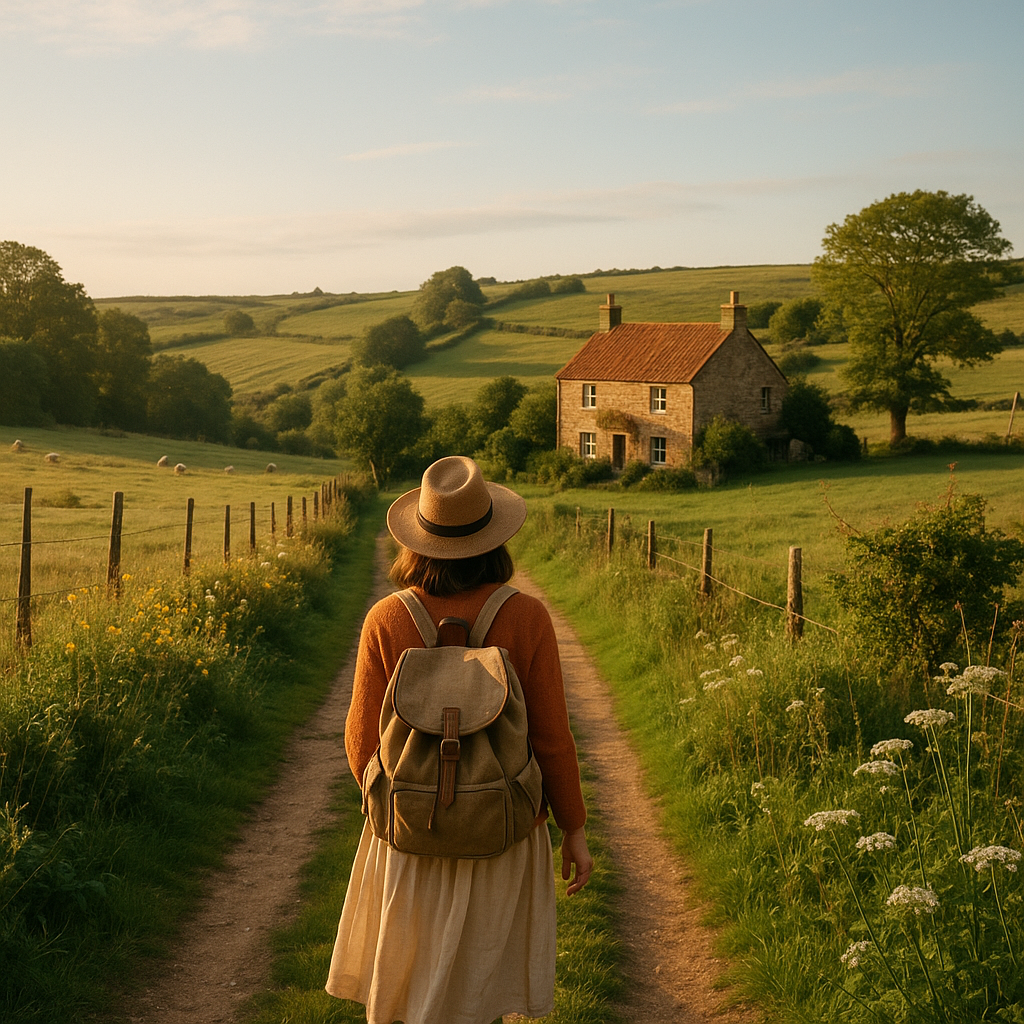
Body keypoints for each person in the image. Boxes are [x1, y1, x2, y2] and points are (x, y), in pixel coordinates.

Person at [326, 455, 593, 1024]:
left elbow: (359, 740)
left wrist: (399, 803)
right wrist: (573, 828)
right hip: (501, 832)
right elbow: (551, 740)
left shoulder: (386, 618)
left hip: (409, 832)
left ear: (417, 541)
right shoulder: (526, 618)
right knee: (481, 985)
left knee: (409, 982)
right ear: (495, 538)